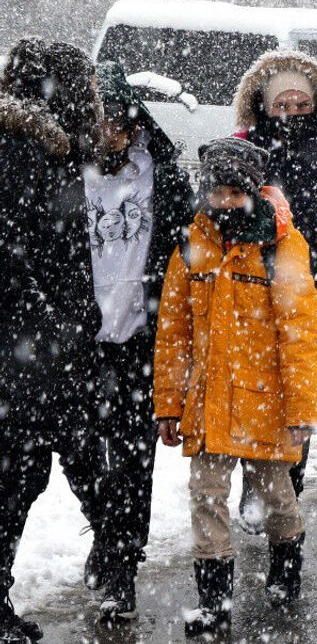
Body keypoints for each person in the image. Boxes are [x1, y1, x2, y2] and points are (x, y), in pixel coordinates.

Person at [153, 137, 317, 637]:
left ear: (252, 190)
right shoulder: (192, 243)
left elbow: (299, 335)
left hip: (263, 402)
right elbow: (174, 332)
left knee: (276, 496)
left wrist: (301, 411)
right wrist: (169, 405)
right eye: (216, 191)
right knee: (206, 496)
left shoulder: (282, 245)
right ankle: (214, 604)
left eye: (234, 192)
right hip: (207, 403)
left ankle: (285, 567)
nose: (224, 202)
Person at [231, 50, 317, 526]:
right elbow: (216, 213)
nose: (291, 112)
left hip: (310, 296)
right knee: (254, 388)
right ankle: (255, 483)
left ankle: (289, 484)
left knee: (296, 389)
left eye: (301, 103)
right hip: (248, 292)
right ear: (264, 103)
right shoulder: (241, 148)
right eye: (281, 103)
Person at [75, 61, 194, 622]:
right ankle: (105, 528)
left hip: (140, 344)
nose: (111, 136)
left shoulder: (162, 178)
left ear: (135, 125)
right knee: (78, 454)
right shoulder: (66, 175)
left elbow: (188, 253)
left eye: (120, 125)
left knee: (131, 459)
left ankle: (121, 568)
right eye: (101, 126)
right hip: (78, 344)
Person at [0, 38, 103, 644]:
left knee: (29, 471)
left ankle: (113, 558)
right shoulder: (21, 150)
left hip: (38, 348)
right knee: (17, 477)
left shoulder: (43, 147)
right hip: (28, 351)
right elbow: (12, 252)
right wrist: (52, 326)